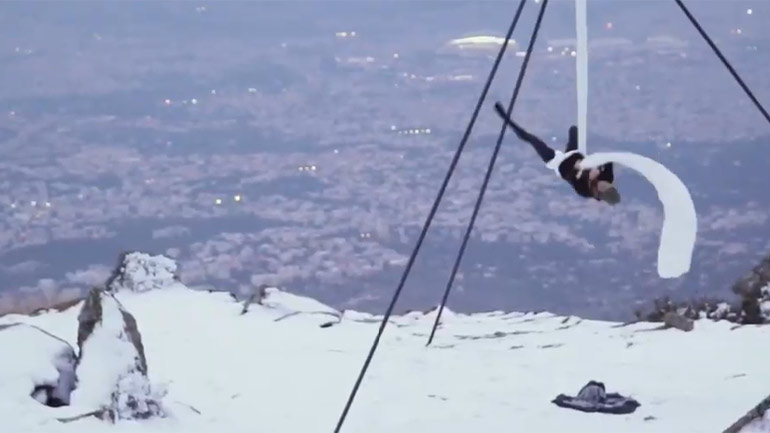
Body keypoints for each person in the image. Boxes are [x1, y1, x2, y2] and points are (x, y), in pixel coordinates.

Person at [494, 101, 620, 205]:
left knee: (533, 140)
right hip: (576, 154)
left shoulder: (585, 191)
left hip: (559, 163)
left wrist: (585, 171)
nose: (603, 184)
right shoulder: (607, 177)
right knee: (574, 129)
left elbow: (572, 177)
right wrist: (599, 164)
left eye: (603, 188)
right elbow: (608, 159)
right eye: (607, 185)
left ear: (599, 193)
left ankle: (504, 117)